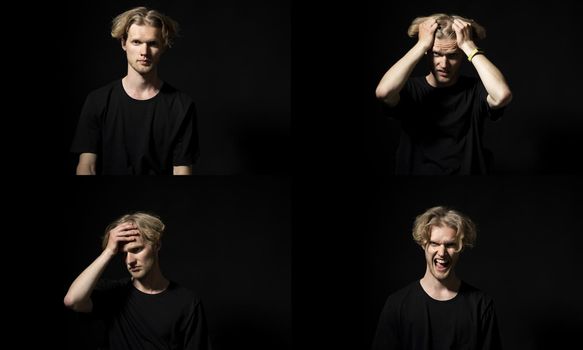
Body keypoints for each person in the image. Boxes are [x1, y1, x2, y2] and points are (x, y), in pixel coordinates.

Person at [375, 14, 512, 175]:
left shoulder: (475, 90)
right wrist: (422, 45)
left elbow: (502, 95)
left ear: (462, 54)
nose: (444, 64)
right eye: (437, 54)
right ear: (427, 52)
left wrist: (468, 46)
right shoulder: (410, 89)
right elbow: (383, 92)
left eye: (452, 55)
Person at [70, 7, 198, 175]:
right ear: (124, 43)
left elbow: (182, 171)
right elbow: (87, 166)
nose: (144, 52)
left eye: (152, 43)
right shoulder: (97, 100)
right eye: (136, 42)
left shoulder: (181, 106)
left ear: (163, 47)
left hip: (160, 200)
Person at [64, 212, 212, 349]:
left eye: (136, 250)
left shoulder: (187, 302)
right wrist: (109, 251)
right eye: (123, 254)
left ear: (157, 245)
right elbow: (72, 300)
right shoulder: (114, 294)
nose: (130, 261)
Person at [372, 206, 502, 350]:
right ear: (423, 244)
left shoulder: (481, 306)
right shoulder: (397, 305)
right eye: (434, 243)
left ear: (461, 247)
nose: (442, 252)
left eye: (450, 245)